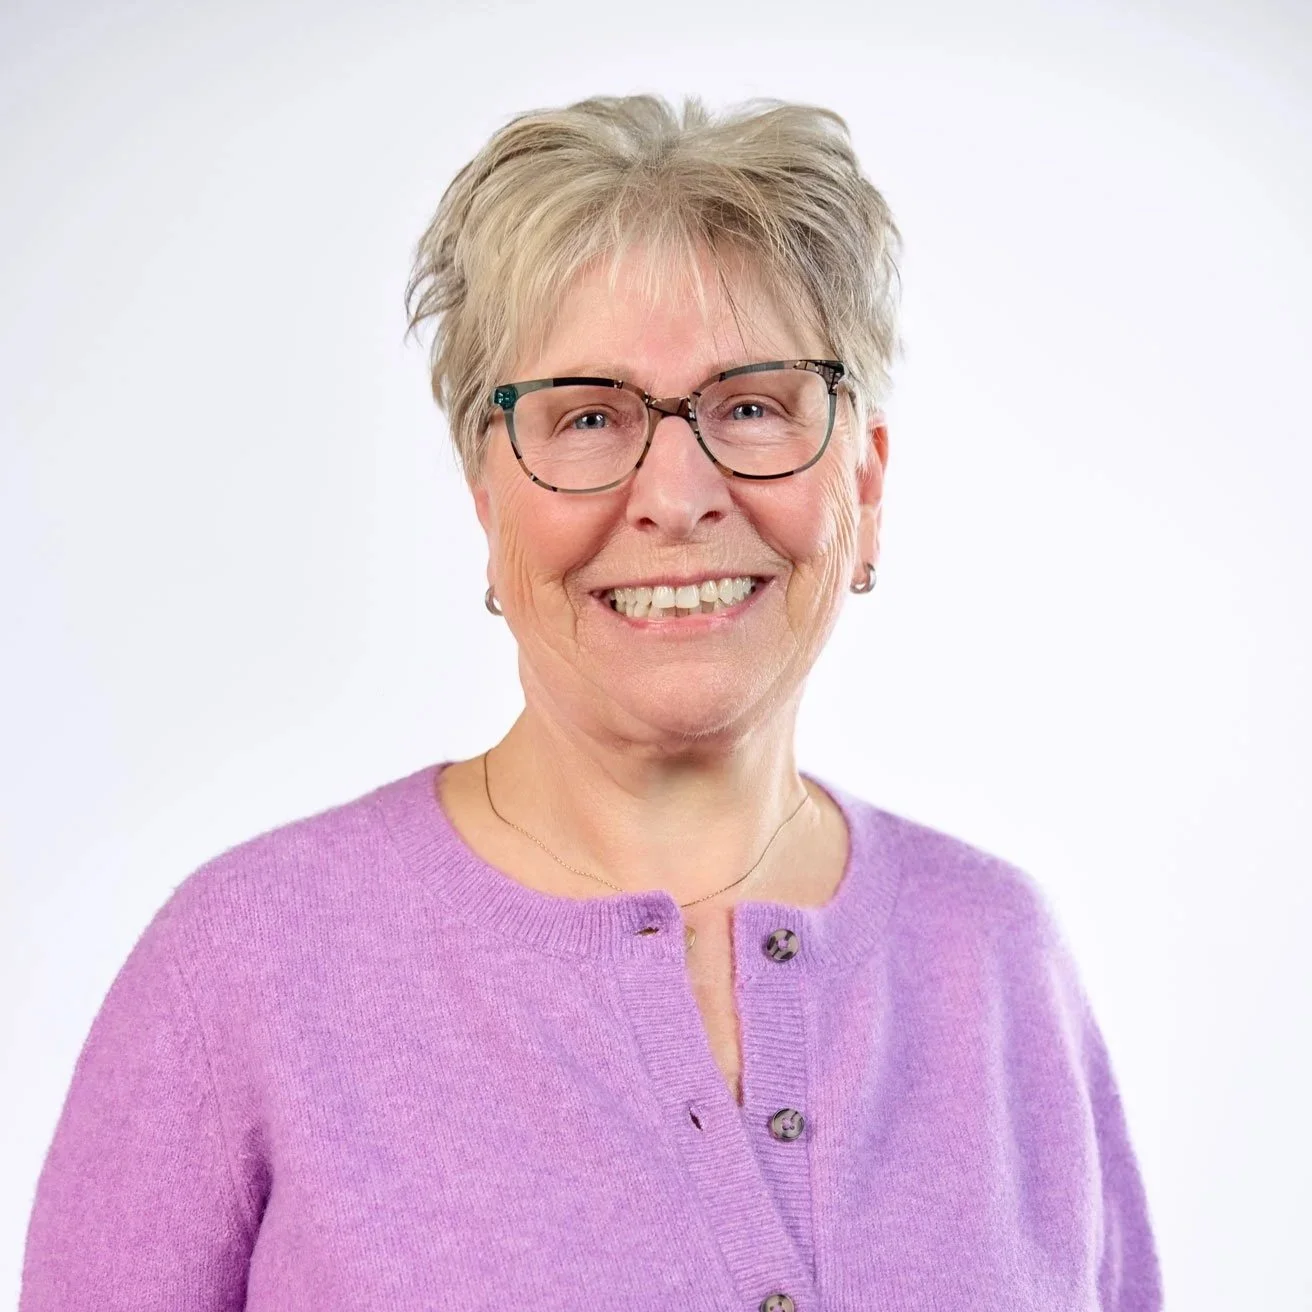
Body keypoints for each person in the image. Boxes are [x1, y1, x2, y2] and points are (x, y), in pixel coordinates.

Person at [20, 95, 1162, 1311]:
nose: (677, 494)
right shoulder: (241, 966)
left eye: (753, 406)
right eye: (587, 418)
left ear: (864, 483)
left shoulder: (999, 957)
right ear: (487, 496)